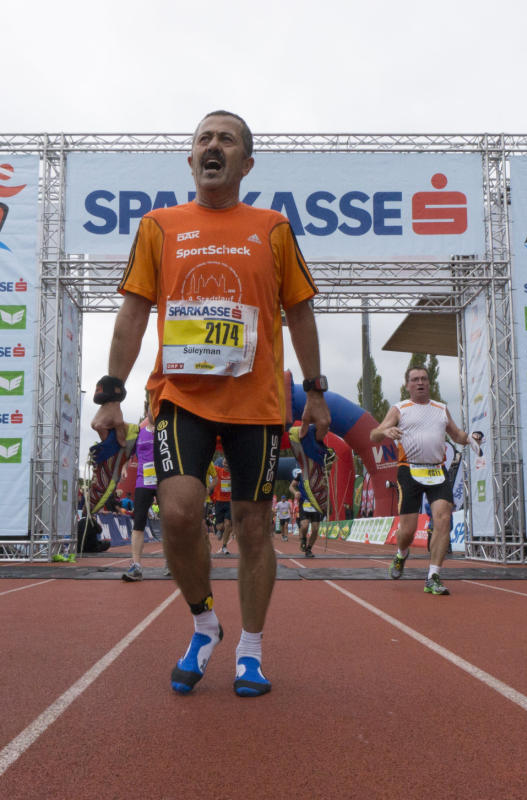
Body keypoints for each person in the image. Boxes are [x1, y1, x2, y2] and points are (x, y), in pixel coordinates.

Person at [91, 110, 330, 698]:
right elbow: (133, 312)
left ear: (246, 163)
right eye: (204, 139)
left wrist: (316, 391)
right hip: (180, 396)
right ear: (191, 159)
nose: (213, 146)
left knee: (253, 525)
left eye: (226, 139)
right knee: (177, 513)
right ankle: (204, 624)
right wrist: (111, 394)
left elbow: (300, 311)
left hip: (257, 403)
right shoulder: (160, 225)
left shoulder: (273, 228)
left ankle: (250, 649)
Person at [369, 366, 482, 595]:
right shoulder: (400, 409)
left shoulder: (441, 409)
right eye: (415, 379)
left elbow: (457, 435)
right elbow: (374, 435)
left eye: (423, 379)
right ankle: (401, 554)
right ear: (407, 385)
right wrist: (386, 431)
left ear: (429, 383)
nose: (420, 382)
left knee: (444, 518)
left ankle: (433, 576)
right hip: (409, 471)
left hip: (437, 471)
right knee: (408, 531)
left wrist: (471, 438)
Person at [122, 411, 158, 582]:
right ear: (147, 412)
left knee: (171, 523)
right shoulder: (139, 433)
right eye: (151, 408)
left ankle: (171, 563)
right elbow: (127, 454)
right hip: (143, 482)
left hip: (163, 482)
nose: (154, 412)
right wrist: (123, 467)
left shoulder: (166, 432)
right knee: (138, 523)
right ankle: (136, 566)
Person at [211, 456, 232, 554]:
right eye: (225, 463)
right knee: (220, 527)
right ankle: (219, 529)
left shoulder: (234, 473)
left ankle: (224, 546)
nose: (226, 465)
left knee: (228, 524)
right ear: (222, 464)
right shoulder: (218, 470)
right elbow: (209, 464)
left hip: (229, 502)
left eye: (228, 463)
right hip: (219, 502)